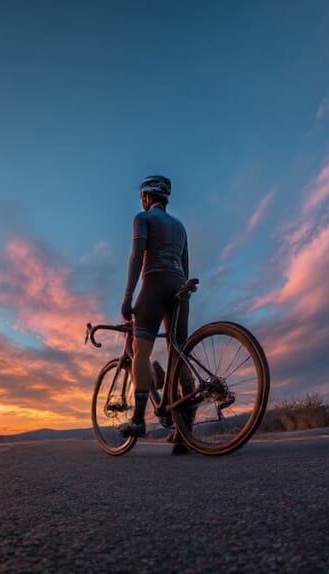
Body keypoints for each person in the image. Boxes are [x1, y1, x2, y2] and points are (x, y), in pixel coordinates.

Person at [118, 175, 195, 453]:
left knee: (141, 351)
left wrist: (128, 297)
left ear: (147, 197)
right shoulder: (181, 227)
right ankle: (185, 431)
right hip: (180, 286)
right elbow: (185, 265)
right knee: (179, 352)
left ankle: (139, 420)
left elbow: (136, 256)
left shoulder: (143, 218)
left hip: (155, 283)